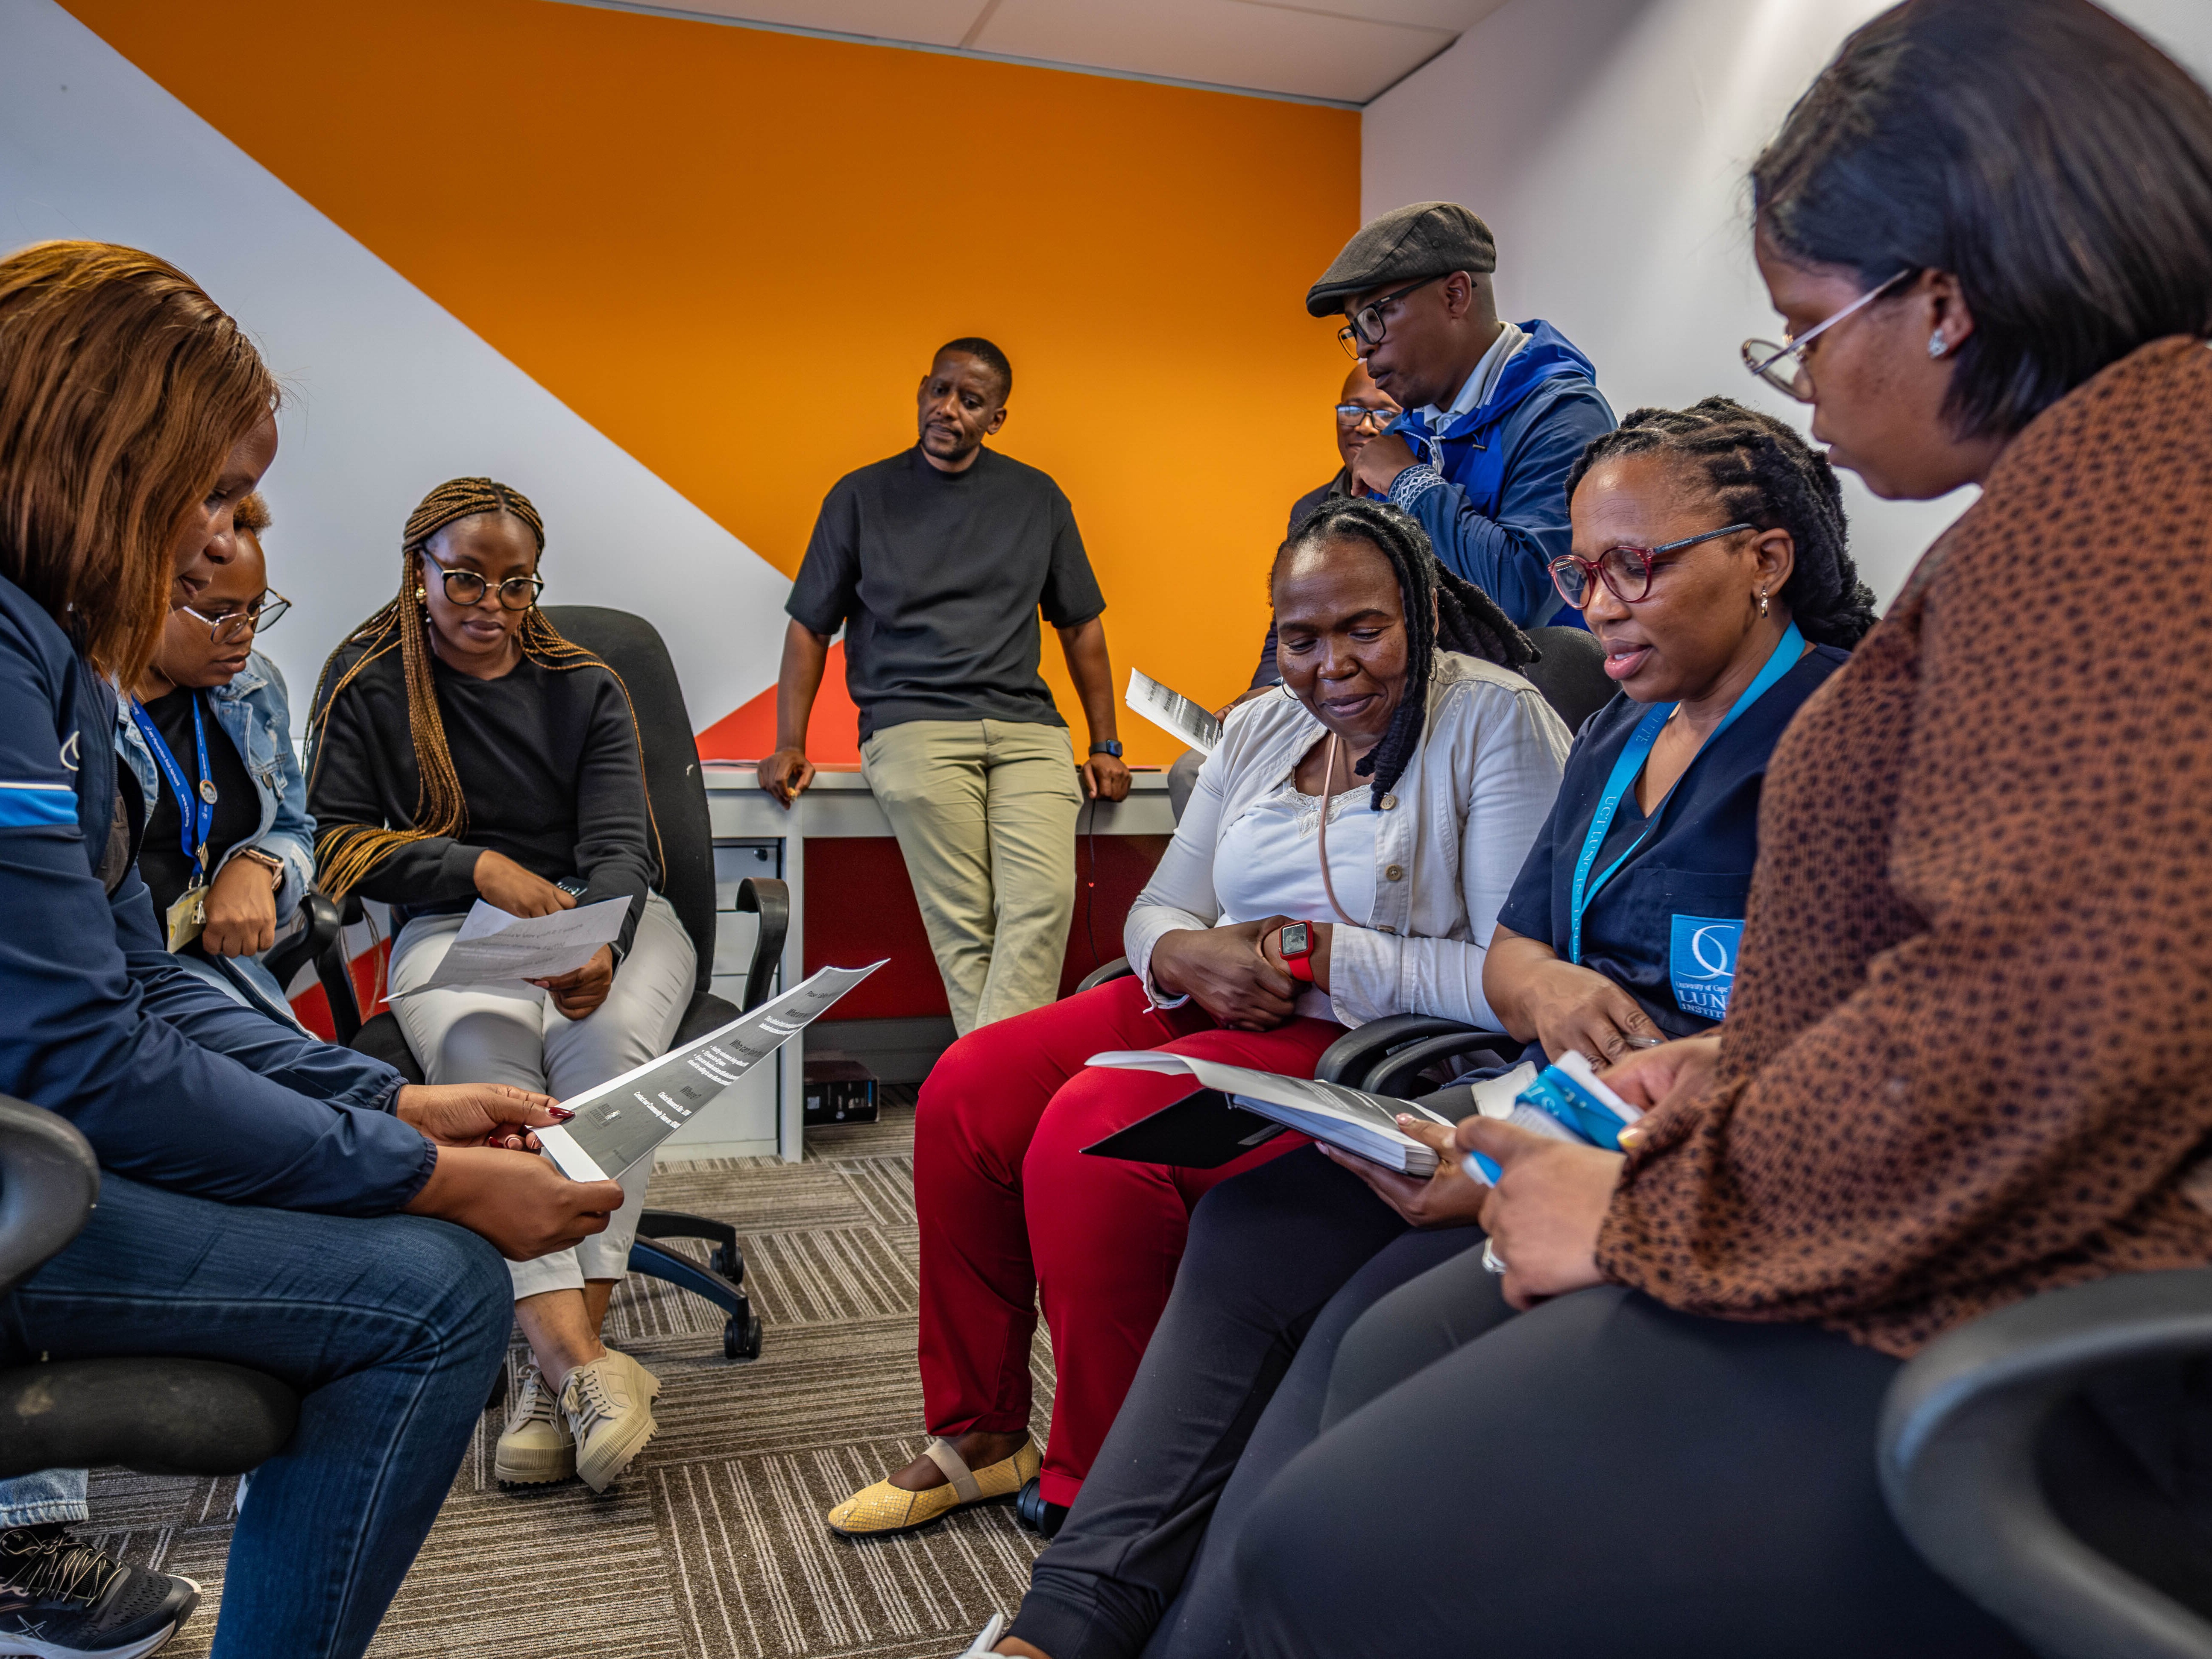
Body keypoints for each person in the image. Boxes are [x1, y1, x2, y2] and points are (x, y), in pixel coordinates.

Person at [1221, 3, 2212, 1655]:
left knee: (1331, 1546)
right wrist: (1744, 1060)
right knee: (1377, 1370)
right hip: (1953, 1223)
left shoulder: (2115, 507)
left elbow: (2041, 1023)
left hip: (2043, 1330)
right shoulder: (2077, 495)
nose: (1803, 387)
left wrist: (1637, 1212)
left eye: (1803, 331)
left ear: (1943, 302)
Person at [978, 399, 1879, 1659]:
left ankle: (1203, 1635)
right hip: (1530, 1101)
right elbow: (1514, 947)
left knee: (1364, 1343)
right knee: (1250, 1222)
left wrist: (1518, 1136)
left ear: (1763, 559)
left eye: (1640, 566)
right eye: (1582, 570)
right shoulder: (1622, 731)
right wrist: (1544, 1004)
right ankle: (1064, 1621)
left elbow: (1836, 1052)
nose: (1601, 604)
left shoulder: (1841, 737)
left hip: (1666, 1166)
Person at [0, 240, 623, 1659]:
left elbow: (130, 980)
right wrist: (418, 1169)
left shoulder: (47, 658)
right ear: (100, 455)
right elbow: (82, 1051)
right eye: (211, 497)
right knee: (427, 1294)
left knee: (427, 1225)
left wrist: (383, 1104)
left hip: (38, 1124)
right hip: (25, 1150)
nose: (221, 547)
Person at [828, 498, 1570, 1542]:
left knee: (1095, 1128)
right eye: (1299, 638)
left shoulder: (1491, 720)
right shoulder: (1264, 724)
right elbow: (1159, 906)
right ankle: (983, 1433)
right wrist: (1184, 953)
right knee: (966, 1087)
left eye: (1363, 628)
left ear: (1418, 611)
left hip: (1360, 1031)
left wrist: (1317, 953)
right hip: (1209, 994)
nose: (1330, 666)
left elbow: (1514, 971)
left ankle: (1115, 1491)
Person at [308, 477, 695, 1495]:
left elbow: (623, 843)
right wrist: (472, 867)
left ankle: (546, 1376)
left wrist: (599, 933)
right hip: (453, 924)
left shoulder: (584, 683)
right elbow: (337, 843)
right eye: (464, 579)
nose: (488, 604)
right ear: (418, 572)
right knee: (492, 1082)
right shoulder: (367, 682)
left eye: (513, 583)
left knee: (605, 1073)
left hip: (607, 916)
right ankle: (580, 1370)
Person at [759, 337, 1131, 1036]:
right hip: (911, 725)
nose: (947, 409)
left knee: (1042, 900)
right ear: (922, 390)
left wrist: (1104, 740)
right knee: (964, 917)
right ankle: (1009, 1098)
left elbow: (1081, 627)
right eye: (939, 390)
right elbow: (810, 627)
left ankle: (988, 1092)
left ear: (996, 417)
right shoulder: (860, 496)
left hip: (1027, 729)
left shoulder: (1036, 497)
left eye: (969, 400)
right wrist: (788, 741)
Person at [1310, 200, 1617, 627]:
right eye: (1354, 329)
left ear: (1455, 295)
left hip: (1536, 692)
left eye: (1374, 316)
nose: (1362, 348)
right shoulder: (1407, 431)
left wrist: (1408, 482)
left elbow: (1521, 596)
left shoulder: (1563, 416)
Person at [1165, 363, 1401, 820]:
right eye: (1351, 410)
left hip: (1376, 701)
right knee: (1190, 772)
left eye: (1384, 414)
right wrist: (1260, 693)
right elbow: (1288, 628)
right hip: (1306, 696)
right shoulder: (1312, 508)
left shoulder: (1425, 498)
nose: (1364, 426)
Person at [113, 489, 310, 1023]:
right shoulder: (83, 710)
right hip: (127, 984)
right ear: (150, 594)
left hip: (230, 974)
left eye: (256, 609)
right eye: (221, 614)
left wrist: (262, 864)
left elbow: (295, 827)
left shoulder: (255, 687)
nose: (244, 637)